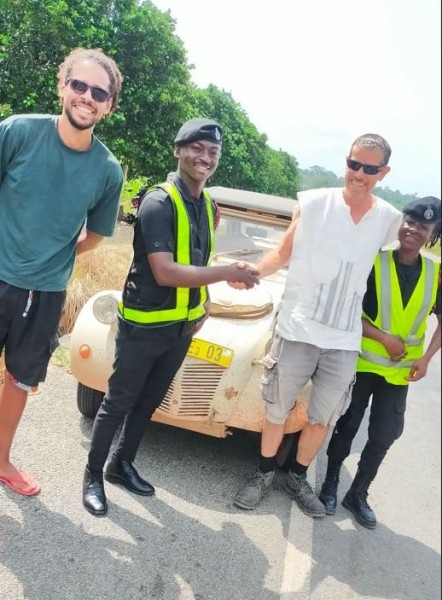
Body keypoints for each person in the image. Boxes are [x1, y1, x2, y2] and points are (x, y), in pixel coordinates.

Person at [82, 118, 260, 516]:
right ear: (179, 150)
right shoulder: (159, 202)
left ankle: (121, 465)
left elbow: (198, 261)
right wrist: (229, 274)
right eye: (197, 148)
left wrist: (205, 302)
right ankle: (93, 473)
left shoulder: (208, 206)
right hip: (145, 324)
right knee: (119, 401)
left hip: (181, 327)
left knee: (149, 402)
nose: (205, 157)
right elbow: (165, 271)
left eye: (213, 152)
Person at [233, 133, 404, 517]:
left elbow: (412, 254)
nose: (357, 174)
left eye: (368, 168)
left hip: (344, 340)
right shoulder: (313, 205)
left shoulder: (389, 220)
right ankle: (263, 473)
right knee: (276, 408)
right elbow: (282, 252)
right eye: (352, 164)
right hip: (298, 328)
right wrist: (253, 271)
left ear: (383, 172)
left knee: (322, 417)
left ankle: (296, 476)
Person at [0, 48, 124, 497]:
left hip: (46, 291)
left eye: (99, 92)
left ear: (108, 105)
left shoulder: (108, 170)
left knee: (19, 379)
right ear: (62, 86)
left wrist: (58, 254)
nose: (86, 97)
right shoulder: (17, 132)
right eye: (79, 85)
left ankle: (2, 460)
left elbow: (95, 235)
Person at [319, 197, 441, 529]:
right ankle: (330, 483)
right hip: (362, 363)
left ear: (433, 234)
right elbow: (344, 310)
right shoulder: (373, 263)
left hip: (400, 374)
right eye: (410, 222)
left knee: (384, 435)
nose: (413, 229)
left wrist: (427, 358)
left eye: (423, 226)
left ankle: (357, 493)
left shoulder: (435, 274)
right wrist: (382, 338)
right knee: (347, 426)